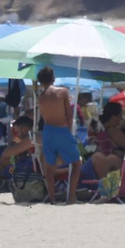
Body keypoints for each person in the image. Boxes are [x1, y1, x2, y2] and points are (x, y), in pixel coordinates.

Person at [36, 67, 82, 204]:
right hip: (61, 130)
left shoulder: (40, 97)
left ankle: (52, 200)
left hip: (48, 131)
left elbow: (43, 117)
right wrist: (69, 131)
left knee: (49, 168)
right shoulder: (62, 92)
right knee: (77, 163)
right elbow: (68, 114)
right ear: (53, 78)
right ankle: (71, 198)